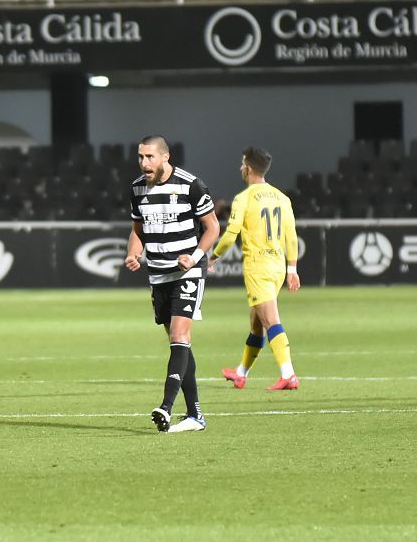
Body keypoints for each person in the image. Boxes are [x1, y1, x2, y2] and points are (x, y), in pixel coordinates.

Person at [125, 136, 220, 433]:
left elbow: (212, 227)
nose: (144, 163)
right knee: (180, 344)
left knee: (180, 335)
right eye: (141, 157)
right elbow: (137, 230)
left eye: (150, 157)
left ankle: (165, 406)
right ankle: (195, 416)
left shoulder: (191, 185)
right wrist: (133, 252)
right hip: (158, 273)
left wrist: (194, 257)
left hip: (187, 273)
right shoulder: (137, 188)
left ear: (166, 157)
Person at [209, 146, 300, 390]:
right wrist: (292, 269)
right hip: (277, 265)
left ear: (248, 168)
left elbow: (230, 234)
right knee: (257, 323)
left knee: (270, 321)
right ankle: (241, 373)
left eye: (242, 164)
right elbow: (291, 236)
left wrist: (212, 256)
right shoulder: (282, 197)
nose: (241, 167)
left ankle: (288, 374)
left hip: (258, 266)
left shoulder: (243, 198)